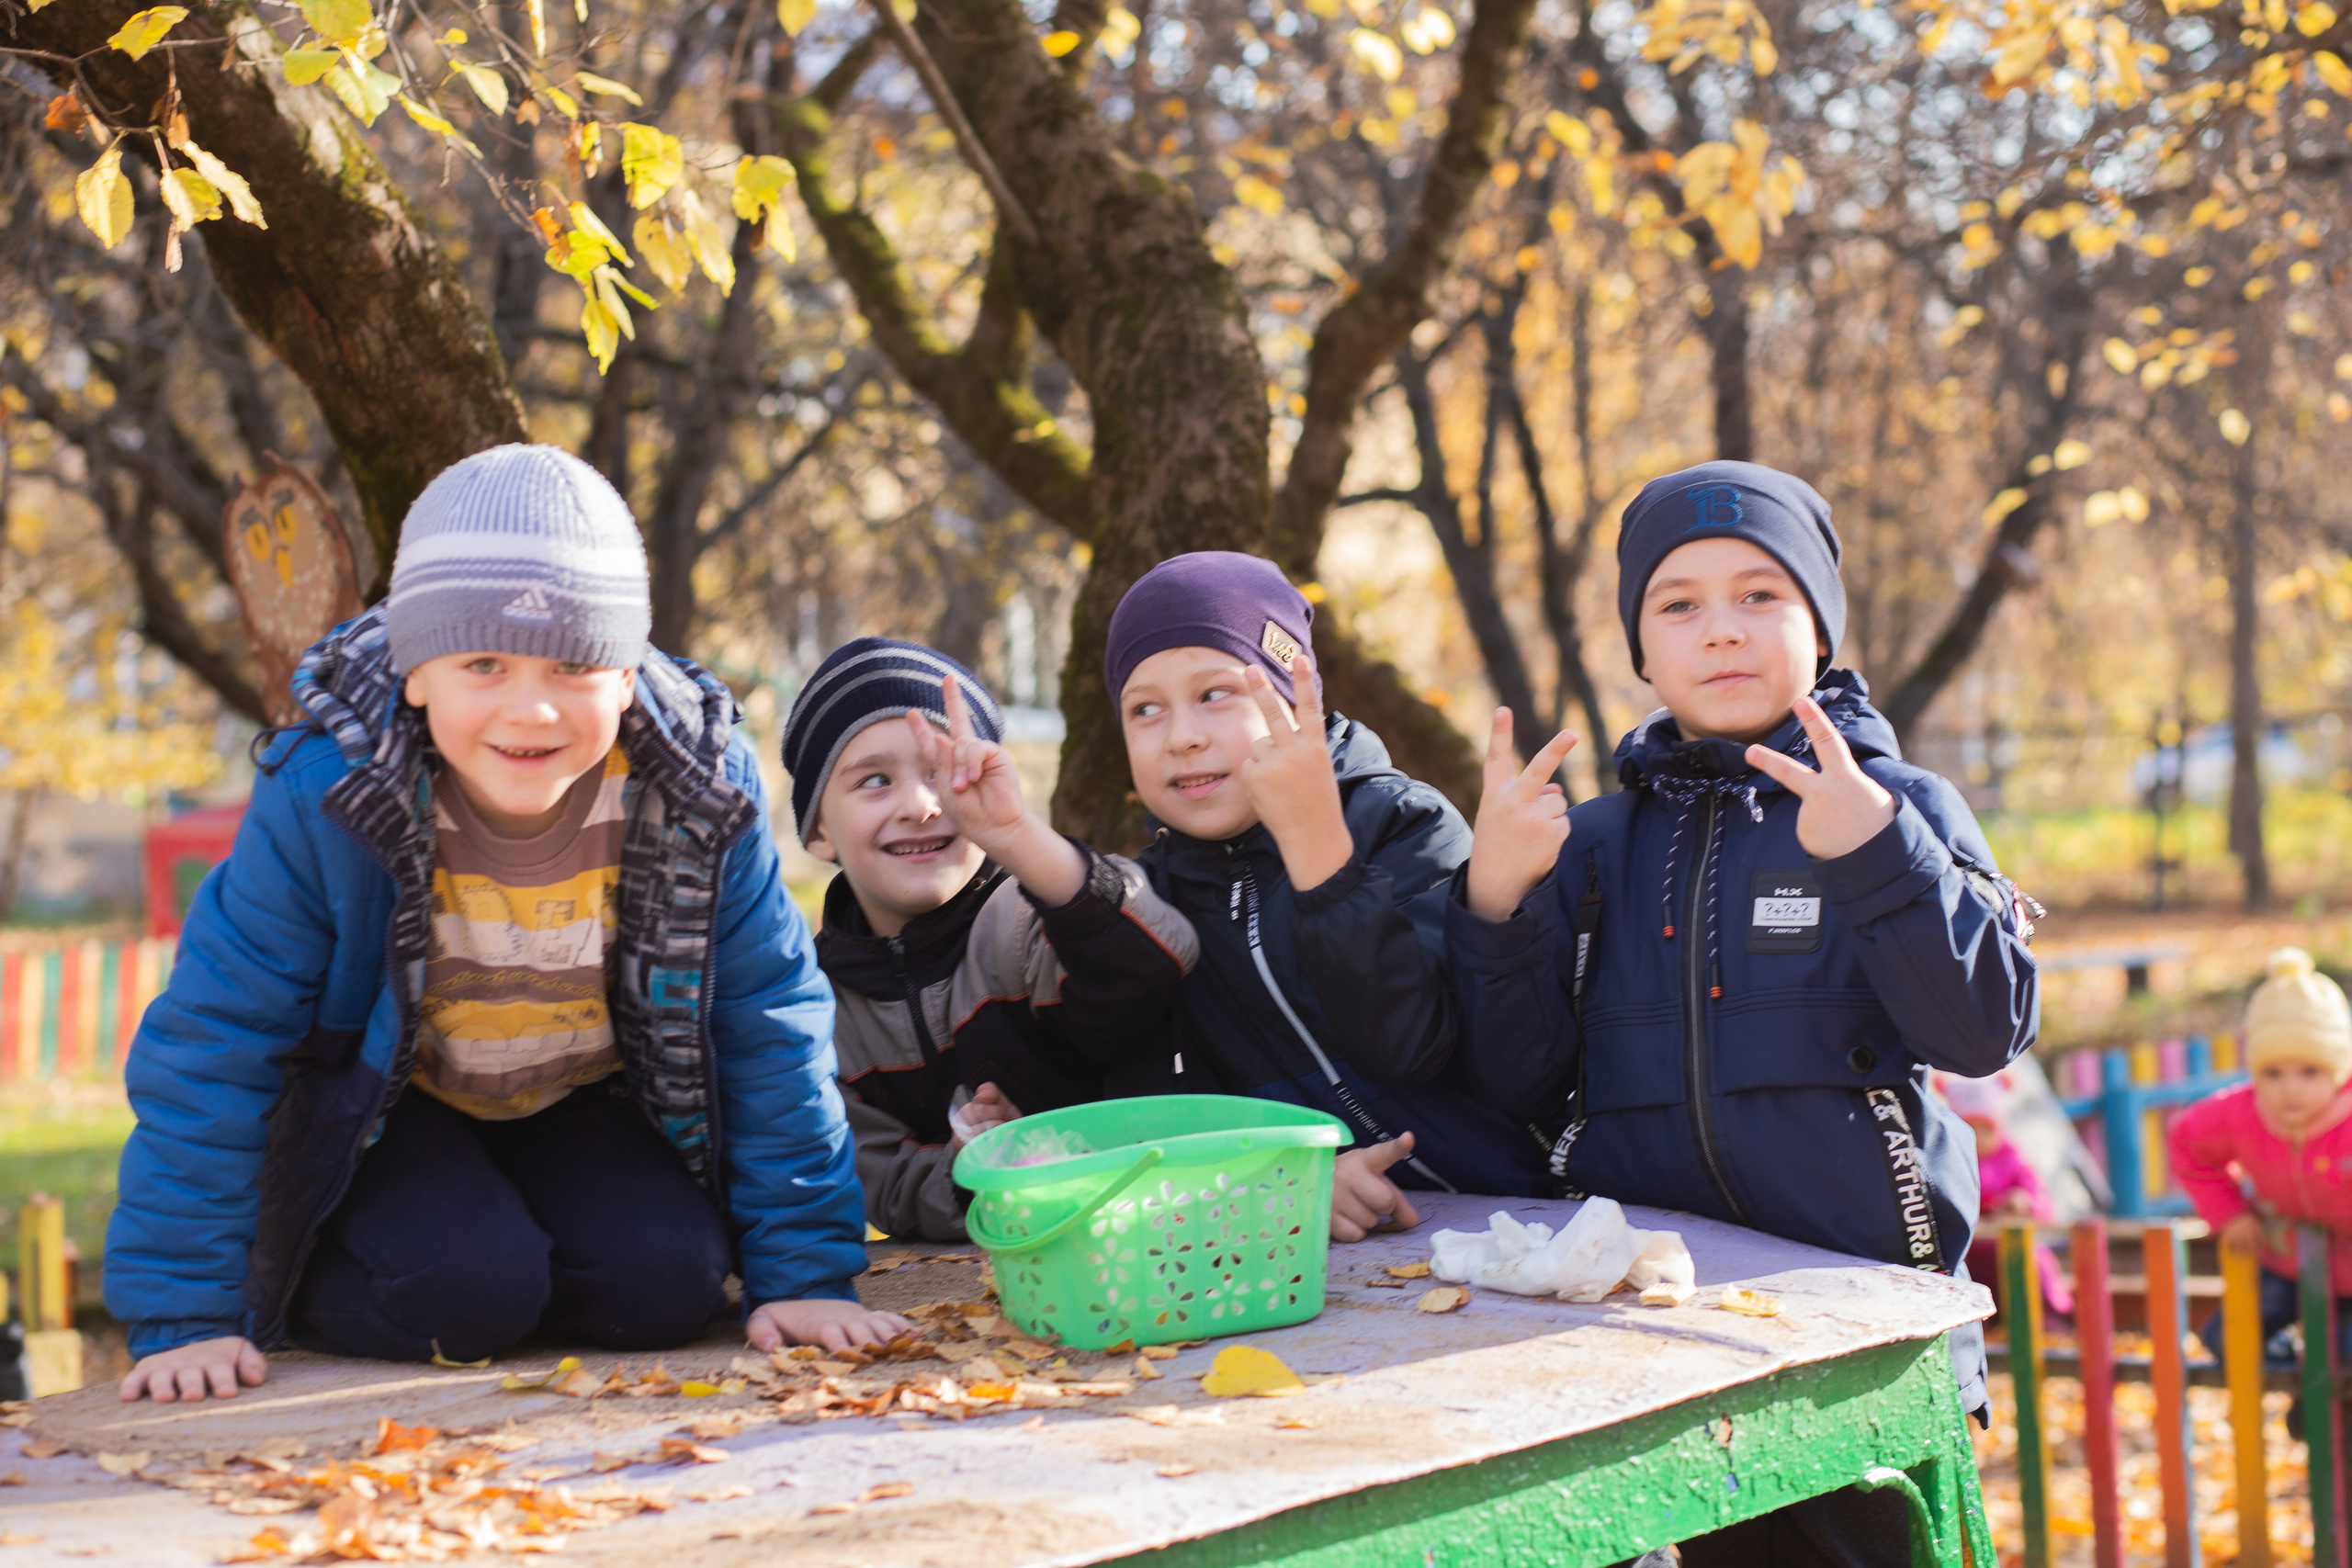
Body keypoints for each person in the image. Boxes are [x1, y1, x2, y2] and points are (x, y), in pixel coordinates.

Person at [106, 445, 903, 1404]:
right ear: (416, 672)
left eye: (575, 663)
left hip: (577, 1098)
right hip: (380, 1116)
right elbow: (215, 1042)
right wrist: (189, 1315)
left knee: (668, 1285)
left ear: (626, 674)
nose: (530, 708)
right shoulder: (330, 794)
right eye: (482, 662)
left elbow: (765, 1021)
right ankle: (369, 1262)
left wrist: (805, 1274)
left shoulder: (694, 792)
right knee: (463, 1289)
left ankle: (516, 1257)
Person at [1447, 460, 2038, 1565]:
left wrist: (1878, 858)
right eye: (1678, 605)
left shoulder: (1898, 805)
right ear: (1640, 649)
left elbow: (1980, 1033)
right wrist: (1495, 904)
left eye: (1759, 594)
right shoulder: (1592, 844)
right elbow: (1516, 1082)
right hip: (1649, 1347)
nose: (1721, 629)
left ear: (1819, 624)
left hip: (1863, 1345)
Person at [1106, 551, 1553, 1242]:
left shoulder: (1400, 821)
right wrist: (1290, 1181)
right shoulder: (1155, 901)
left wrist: (1317, 851)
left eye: (1215, 694)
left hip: (1520, 1218)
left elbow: (1411, 1048)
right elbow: (1171, 1122)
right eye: (1144, 709)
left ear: (1296, 697)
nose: (1183, 737)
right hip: (1323, 1248)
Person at [781, 637, 1198, 1242]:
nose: (921, 805)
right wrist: (970, 1164)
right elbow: (883, 1183)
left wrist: (1019, 835)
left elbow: (1153, 961)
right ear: (818, 830)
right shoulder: (820, 1009)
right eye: (874, 780)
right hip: (996, 1260)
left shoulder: (1029, 918)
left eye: (943, 772)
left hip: (1141, 1225)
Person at [2174, 948, 2352, 1381]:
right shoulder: (2243, 1113)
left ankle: (2320, 1407)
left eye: (2310, 1072)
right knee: (2227, 1337)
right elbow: (2187, 1143)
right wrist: (2230, 1212)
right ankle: (2299, 1381)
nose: (2290, 1089)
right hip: (2287, 1259)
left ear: (2338, 1070)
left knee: (2345, 1358)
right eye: (2273, 1073)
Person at [1938, 1073, 2071, 1319]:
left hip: (2009, 1246)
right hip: (1968, 1254)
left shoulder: (2012, 1157)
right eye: (1970, 1129)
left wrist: (2024, 1202)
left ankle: (2047, 1316)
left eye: (1985, 1129)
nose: (1979, 1138)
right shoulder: (1949, 1162)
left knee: (2032, 1262)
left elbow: (2041, 1203)